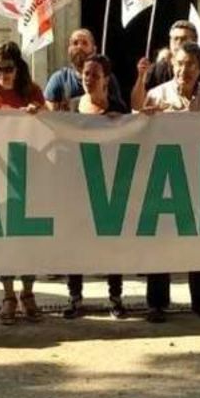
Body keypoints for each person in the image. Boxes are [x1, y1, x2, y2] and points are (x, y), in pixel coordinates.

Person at [138, 42, 200, 322]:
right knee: (160, 241)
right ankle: (156, 304)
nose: (183, 70)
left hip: (199, 179)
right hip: (164, 178)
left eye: (190, 65)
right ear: (171, 65)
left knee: (199, 241)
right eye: (179, 63)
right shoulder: (155, 95)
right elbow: (139, 133)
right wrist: (147, 118)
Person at [0, 42, 47, 324]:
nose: (3, 74)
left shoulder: (33, 92)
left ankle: (28, 293)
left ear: (19, 68)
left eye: (8, 69)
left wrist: (38, 114)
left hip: (30, 170)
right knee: (3, 238)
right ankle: (7, 295)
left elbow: (50, 125)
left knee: (28, 238)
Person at [65, 53, 130, 319]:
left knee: (111, 244)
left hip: (110, 187)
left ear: (105, 80)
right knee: (75, 243)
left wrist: (125, 123)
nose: (88, 79)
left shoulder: (119, 109)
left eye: (94, 74)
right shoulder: (70, 108)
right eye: (85, 74)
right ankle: (75, 298)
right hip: (78, 185)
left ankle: (115, 297)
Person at [43, 28, 121, 111]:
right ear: (69, 49)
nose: (79, 47)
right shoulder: (59, 79)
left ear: (94, 50)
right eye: (75, 43)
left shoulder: (107, 78)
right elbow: (47, 112)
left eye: (84, 43)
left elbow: (117, 114)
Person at [143, 20, 200, 91]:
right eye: (175, 39)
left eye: (184, 39)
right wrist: (141, 77)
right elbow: (140, 102)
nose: (179, 43)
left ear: (195, 41)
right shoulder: (156, 70)